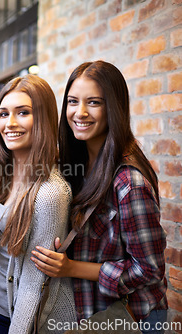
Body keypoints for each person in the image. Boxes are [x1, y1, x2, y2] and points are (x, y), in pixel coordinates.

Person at [30, 61, 168, 333]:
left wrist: (71, 268)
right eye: (72, 101)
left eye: (94, 103)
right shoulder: (74, 163)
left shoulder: (129, 182)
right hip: (91, 317)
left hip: (131, 320)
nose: (80, 113)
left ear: (113, 108)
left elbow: (149, 269)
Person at [0, 75, 76, 334]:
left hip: (27, 320)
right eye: (3, 114)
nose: (9, 123)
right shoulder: (0, 174)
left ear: (42, 119)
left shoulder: (50, 193)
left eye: (23, 113)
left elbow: (34, 281)